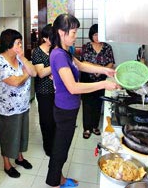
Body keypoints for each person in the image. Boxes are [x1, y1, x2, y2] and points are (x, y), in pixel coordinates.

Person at [45, 14, 120, 188]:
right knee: (60, 150)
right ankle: (55, 182)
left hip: (69, 108)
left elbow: (81, 65)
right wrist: (103, 84)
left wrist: (105, 71)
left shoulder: (66, 51)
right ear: (61, 32)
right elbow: (73, 87)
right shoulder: (58, 55)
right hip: (64, 110)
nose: (75, 36)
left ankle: (58, 179)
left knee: (61, 147)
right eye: (72, 32)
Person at [0, 29, 37, 178]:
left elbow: (35, 72)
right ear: (8, 44)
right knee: (8, 135)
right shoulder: (0, 62)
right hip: (8, 107)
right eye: (18, 43)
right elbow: (15, 82)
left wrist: (24, 59)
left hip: (23, 105)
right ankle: (7, 164)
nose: (20, 45)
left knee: (22, 133)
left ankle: (19, 158)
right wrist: (26, 73)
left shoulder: (19, 59)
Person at [81, 24, 115, 139]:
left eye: (99, 34)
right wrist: (97, 69)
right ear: (91, 35)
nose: (97, 37)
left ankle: (95, 126)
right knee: (87, 104)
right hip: (87, 79)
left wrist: (102, 71)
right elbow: (83, 62)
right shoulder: (86, 46)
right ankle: (86, 128)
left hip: (101, 79)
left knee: (98, 103)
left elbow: (111, 62)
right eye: (95, 34)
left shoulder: (107, 47)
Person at [31, 24, 55, 156]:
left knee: (56, 119)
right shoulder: (37, 52)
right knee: (46, 120)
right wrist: (54, 67)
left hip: (57, 91)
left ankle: (55, 144)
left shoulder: (55, 50)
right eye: (52, 37)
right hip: (44, 92)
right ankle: (48, 147)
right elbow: (40, 73)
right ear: (45, 38)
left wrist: (51, 70)